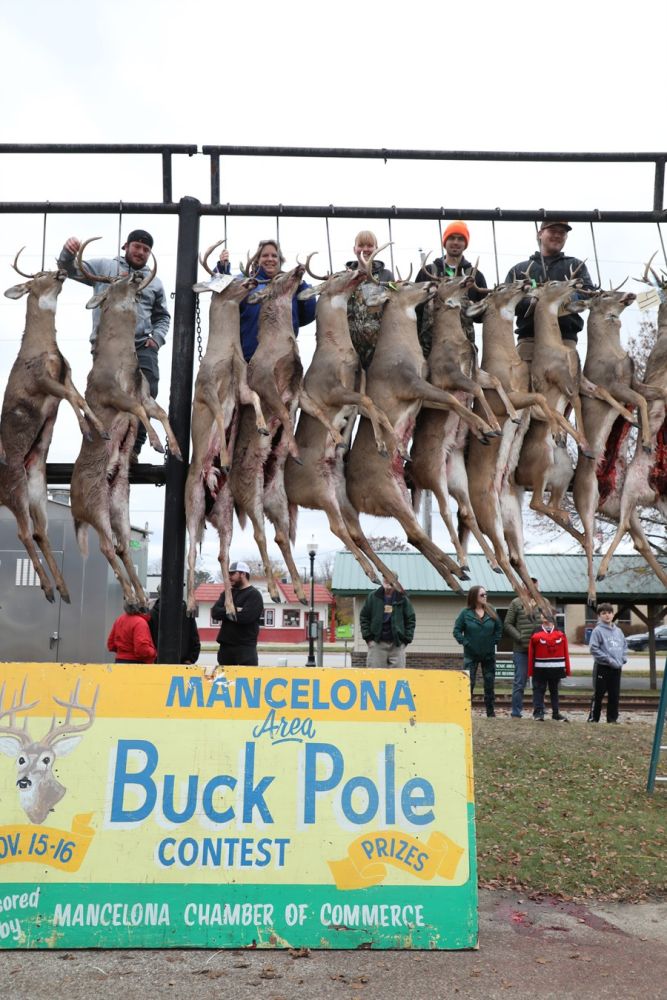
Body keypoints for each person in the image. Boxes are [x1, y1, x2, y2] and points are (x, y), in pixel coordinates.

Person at [58, 229, 170, 462]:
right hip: (107, 346)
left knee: (147, 391)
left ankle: (133, 448)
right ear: (125, 247)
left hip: (140, 346)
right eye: (137, 246)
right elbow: (69, 269)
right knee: (105, 396)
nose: (141, 252)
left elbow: (162, 317)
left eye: (146, 249)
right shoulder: (104, 267)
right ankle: (101, 448)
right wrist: (68, 253)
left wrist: (156, 339)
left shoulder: (153, 281)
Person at [504, 221, 594, 361]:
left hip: (565, 339)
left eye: (562, 232)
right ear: (540, 234)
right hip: (530, 341)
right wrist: (531, 303)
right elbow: (506, 302)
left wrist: (567, 299)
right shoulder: (519, 270)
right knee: (523, 375)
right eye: (552, 231)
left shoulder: (575, 265)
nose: (557, 235)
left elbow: (589, 295)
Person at [215, 239, 316, 362]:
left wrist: (302, 284)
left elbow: (309, 314)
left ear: (280, 260)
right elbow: (221, 294)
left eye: (274, 256)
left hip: (285, 359)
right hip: (251, 357)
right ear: (257, 260)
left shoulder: (291, 286)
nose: (270, 259)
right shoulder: (246, 282)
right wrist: (223, 270)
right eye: (265, 255)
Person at [415, 221, 488, 349]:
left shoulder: (475, 275)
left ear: (465, 244)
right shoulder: (428, 272)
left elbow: (482, 317)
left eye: (460, 239)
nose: (455, 242)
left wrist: (472, 306)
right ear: (445, 242)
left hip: (463, 348)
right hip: (430, 347)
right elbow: (416, 309)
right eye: (451, 238)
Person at [344, 230, 394, 369]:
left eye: (370, 245)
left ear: (376, 248)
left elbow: (394, 300)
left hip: (380, 346)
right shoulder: (344, 277)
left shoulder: (386, 276)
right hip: (349, 345)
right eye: (361, 245)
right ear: (354, 249)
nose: (365, 249)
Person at [453, 585, 502, 717]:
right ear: (474, 596)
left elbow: (499, 628)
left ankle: (490, 712)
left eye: (486, 594)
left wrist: (494, 641)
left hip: (488, 655)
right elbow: (456, 631)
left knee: (489, 683)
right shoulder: (465, 613)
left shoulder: (491, 611)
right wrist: (466, 643)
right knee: (469, 683)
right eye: (482, 595)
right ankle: (465, 712)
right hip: (471, 655)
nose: (485, 596)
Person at [503, 578, 543, 718]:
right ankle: (516, 712)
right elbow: (507, 624)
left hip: (540, 650)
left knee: (539, 683)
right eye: (527, 583)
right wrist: (519, 637)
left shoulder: (543, 602)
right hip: (521, 651)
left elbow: (550, 621)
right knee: (520, 682)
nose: (530, 586)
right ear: (523, 586)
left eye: (533, 583)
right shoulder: (516, 603)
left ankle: (539, 712)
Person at [211, 560, 264, 666]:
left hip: (245, 648)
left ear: (243, 574)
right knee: (224, 677)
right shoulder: (227, 593)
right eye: (228, 574)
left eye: (232, 574)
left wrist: (227, 610)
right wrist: (235, 610)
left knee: (246, 676)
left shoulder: (254, 595)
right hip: (225, 647)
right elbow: (215, 612)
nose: (229, 577)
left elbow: (245, 618)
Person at [359, 577, 416, 668]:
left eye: (390, 579)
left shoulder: (402, 598)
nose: (388, 582)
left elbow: (410, 619)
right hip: (377, 644)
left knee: (398, 675)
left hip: (397, 645)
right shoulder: (373, 596)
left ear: (395, 582)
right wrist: (368, 638)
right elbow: (364, 617)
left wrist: (405, 640)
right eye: (385, 579)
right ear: (382, 580)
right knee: (375, 674)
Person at [587, 603, 628, 723]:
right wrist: (608, 660)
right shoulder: (597, 631)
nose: (607, 615)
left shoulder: (618, 631)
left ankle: (612, 719)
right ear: (599, 615)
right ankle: (593, 718)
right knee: (598, 694)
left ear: (613, 614)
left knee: (614, 695)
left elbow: (624, 645)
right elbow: (594, 649)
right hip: (602, 667)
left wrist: (623, 658)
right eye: (604, 613)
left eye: (609, 613)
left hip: (616, 668)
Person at [528, 609, 571, 721]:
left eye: (548, 615)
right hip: (540, 667)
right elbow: (531, 652)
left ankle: (555, 713)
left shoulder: (560, 632)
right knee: (539, 689)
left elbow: (565, 651)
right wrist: (531, 669)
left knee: (554, 690)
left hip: (556, 667)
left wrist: (567, 668)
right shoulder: (536, 631)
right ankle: (538, 712)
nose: (546, 617)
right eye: (543, 614)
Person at [149, 595, 201, 664]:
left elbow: (149, 639)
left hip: (159, 662)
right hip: (183, 662)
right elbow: (194, 638)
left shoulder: (153, 613)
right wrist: (191, 659)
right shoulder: (186, 612)